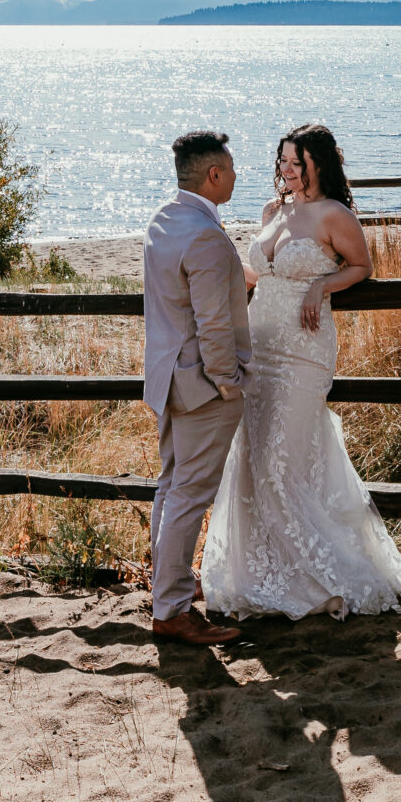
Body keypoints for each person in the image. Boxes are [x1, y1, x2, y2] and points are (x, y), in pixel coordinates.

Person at [201, 122, 401, 622]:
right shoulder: (273, 211)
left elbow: (362, 266)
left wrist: (322, 287)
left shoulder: (333, 215)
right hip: (260, 345)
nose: (286, 170)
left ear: (318, 163)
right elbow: (259, 274)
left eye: (295, 162)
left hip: (303, 352)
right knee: (253, 458)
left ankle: (328, 576)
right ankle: (265, 574)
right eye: (281, 162)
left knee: (280, 462)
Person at [142, 130, 251, 644]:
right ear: (213, 175)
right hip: (202, 386)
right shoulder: (206, 236)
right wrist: (229, 385)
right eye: (230, 169)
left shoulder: (164, 220)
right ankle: (172, 610)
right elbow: (213, 326)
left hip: (167, 378)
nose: (235, 175)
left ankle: (169, 592)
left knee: (171, 487)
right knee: (189, 494)